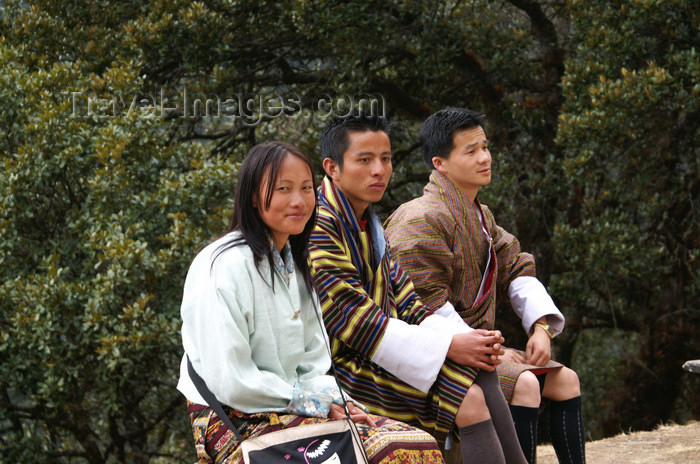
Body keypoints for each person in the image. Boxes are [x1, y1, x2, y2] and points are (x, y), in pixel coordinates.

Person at [176, 141, 446, 463]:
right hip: (232, 415)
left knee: (416, 444)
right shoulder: (221, 266)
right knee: (387, 452)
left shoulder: (297, 266)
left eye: (306, 188)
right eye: (283, 189)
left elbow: (312, 365)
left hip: (292, 404)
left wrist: (342, 403)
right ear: (252, 197)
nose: (298, 201)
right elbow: (232, 381)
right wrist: (315, 405)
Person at [308, 114, 528, 464]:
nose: (379, 170)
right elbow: (358, 324)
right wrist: (450, 344)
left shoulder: (367, 221)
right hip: (339, 366)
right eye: (364, 160)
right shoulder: (320, 226)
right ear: (332, 167)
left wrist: (466, 341)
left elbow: (409, 303)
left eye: (386, 158)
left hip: (379, 350)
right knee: (467, 398)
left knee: (481, 366)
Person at [384, 108, 586, 464]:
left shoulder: (480, 214)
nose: (485, 158)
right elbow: (423, 308)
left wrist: (541, 329)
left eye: (485, 147)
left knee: (565, 379)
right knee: (524, 383)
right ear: (440, 163)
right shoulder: (418, 219)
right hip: (440, 354)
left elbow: (516, 264)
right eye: (471, 151)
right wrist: (487, 349)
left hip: (477, 349)